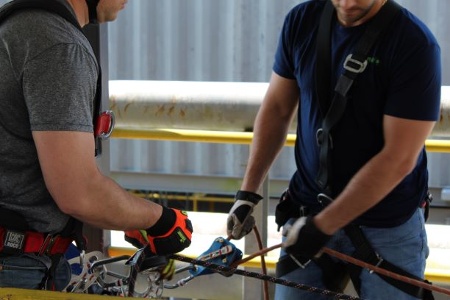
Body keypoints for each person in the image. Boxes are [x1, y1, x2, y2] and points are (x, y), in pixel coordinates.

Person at [226, 0, 441, 299]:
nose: (349, 3)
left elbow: (398, 159)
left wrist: (321, 227)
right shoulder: (302, 21)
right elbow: (276, 109)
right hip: (309, 210)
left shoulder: (414, 45)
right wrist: (248, 194)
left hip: (386, 226)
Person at [0, 0, 192, 291]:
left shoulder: (14, 26)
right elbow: (78, 193)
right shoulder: (58, 46)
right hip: (16, 266)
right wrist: (160, 220)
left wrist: (122, 214)